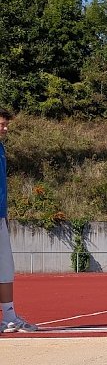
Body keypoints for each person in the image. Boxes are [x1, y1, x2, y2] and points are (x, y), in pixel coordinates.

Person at [0, 109, 37, 332]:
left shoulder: (1, 147)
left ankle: (10, 317)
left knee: (6, 267)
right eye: (2, 124)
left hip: (0, 215)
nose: (6, 128)